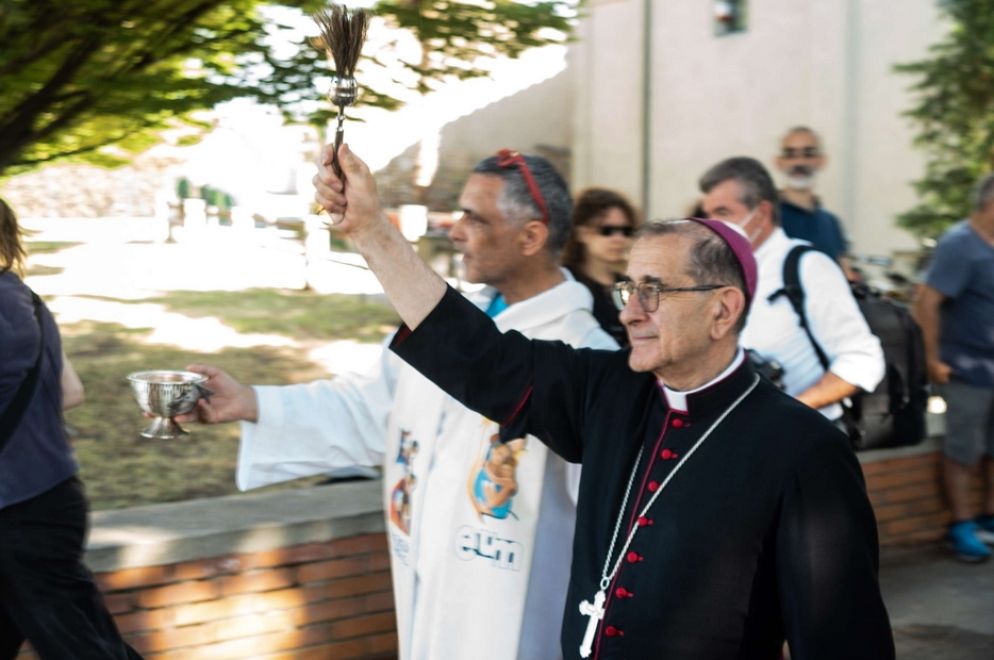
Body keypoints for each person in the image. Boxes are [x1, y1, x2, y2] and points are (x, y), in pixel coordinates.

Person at [313, 143, 895, 659]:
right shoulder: (608, 389)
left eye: (655, 291)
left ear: (723, 310)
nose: (629, 311)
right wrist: (370, 231)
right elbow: (478, 356)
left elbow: (842, 639)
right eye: (628, 287)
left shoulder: (803, 449)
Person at [181, 149, 617, 660]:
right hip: (426, 592)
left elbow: (608, 528)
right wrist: (250, 402)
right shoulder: (446, 328)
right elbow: (367, 409)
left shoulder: (586, 355)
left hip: (514, 620)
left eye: (474, 218)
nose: (454, 232)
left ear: (531, 237)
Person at [0, 199, 142, 659]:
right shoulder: (26, 301)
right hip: (52, 498)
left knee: (84, 650)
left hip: (16, 517)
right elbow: (70, 392)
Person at [699, 156, 884, 424]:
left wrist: (788, 412)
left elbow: (861, 359)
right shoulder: (722, 272)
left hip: (805, 438)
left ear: (762, 213)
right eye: (709, 214)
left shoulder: (807, 266)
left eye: (724, 213)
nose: (712, 225)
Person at [914, 173, 994, 563]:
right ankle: (961, 526)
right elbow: (927, 302)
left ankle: (988, 520)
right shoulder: (960, 245)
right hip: (965, 369)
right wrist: (931, 359)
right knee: (964, 450)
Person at [774, 126, 854, 278]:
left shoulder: (831, 223)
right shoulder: (767, 218)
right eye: (790, 154)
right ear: (779, 162)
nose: (799, 162)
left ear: (822, 161)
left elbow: (845, 275)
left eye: (808, 153)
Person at [561, 188, 639, 346]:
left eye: (626, 231)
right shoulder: (566, 282)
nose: (619, 239)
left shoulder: (629, 285)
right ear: (581, 233)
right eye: (607, 231)